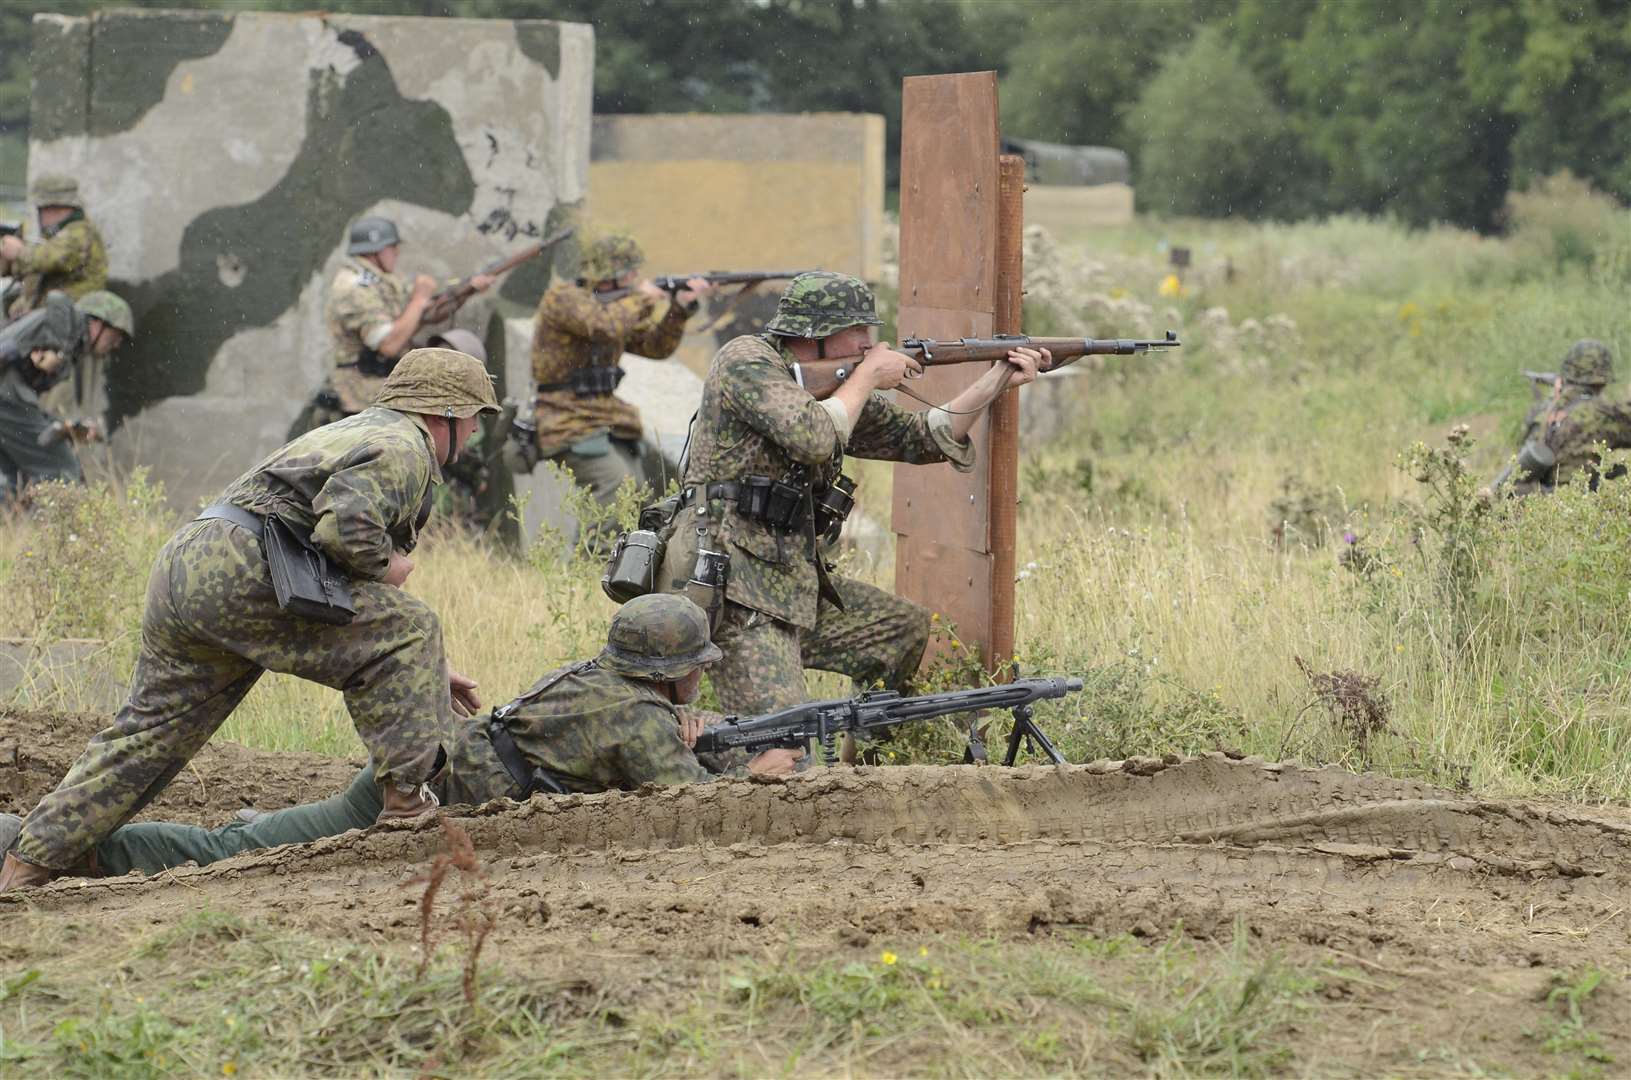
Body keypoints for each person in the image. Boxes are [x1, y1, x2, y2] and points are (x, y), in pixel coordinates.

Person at [0, 347, 500, 893]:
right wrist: (391, 569)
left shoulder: (356, 429)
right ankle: (407, 807)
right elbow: (347, 530)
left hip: (190, 564)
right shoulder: (406, 446)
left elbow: (352, 599)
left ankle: (25, 865)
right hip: (246, 570)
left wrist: (417, 670)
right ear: (446, 415)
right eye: (475, 418)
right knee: (412, 626)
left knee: (147, 737)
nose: (475, 433)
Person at [0, 596, 801, 881]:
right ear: (675, 670)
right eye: (697, 666)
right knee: (227, 853)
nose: (703, 678)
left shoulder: (603, 680)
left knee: (252, 838)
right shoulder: (643, 718)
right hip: (418, 793)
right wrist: (758, 777)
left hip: (429, 769)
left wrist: (690, 742)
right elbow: (690, 814)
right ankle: (56, 846)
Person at [657, 270, 1045, 718]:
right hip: (734, 588)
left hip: (788, 582)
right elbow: (813, 436)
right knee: (782, 745)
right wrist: (867, 379)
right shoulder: (746, 361)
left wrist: (997, 378)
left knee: (900, 632)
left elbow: (922, 436)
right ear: (814, 335)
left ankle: (861, 775)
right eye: (856, 330)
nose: (868, 343)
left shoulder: (838, 388)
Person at [529, 232, 713, 522]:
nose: (636, 278)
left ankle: (617, 561)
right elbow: (603, 326)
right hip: (564, 417)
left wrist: (679, 309)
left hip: (605, 416)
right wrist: (645, 297)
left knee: (635, 491)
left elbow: (654, 347)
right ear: (608, 276)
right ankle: (593, 562)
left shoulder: (619, 308)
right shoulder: (564, 299)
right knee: (615, 485)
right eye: (630, 273)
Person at [288, 216, 494, 437]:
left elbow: (423, 315)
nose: (396, 252)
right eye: (392, 247)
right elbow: (389, 343)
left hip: (381, 395)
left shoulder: (381, 281)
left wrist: (466, 290)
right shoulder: (354, 288)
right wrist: (419, 299)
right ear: (376, 249)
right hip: (361, 400)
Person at [0, 289, 132, 502]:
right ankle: (61, 533)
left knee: (12, 480)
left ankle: (14, 531)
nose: (115, 345)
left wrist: (68, 427)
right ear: (97, 322)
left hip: (9, 398)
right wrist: (58, 348)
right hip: (7, 396)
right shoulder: (71, 323)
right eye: (115, 335)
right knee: (62, 470)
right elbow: (56, 298)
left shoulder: (71, 343)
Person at [1490, 339, 1631, 496]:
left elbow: (1523, 447)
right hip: (1577, 504)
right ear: (1602, 380)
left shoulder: (1544, 412)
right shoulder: (1605, 415)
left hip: (1539, 500)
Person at [0, 175, 109, 320]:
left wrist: (19, 252)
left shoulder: (81, 232)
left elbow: (52, 259)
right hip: (41, 317)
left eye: (43, 208)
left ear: (56, 208)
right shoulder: (52, 234)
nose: (41, 214)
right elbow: (21, 269)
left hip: (68, 321)